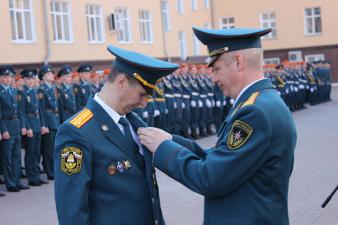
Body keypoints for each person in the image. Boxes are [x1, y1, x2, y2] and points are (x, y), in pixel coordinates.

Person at [138, 27, 297, 225]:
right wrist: (171, 140)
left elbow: (210, 178)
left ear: (239, 62)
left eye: (216, 69)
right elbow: (222, 157)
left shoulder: (254, 112)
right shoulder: (264, 101)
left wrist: (163, 149)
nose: (213, 79)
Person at [54, 45, 179, 225]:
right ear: (121, 82)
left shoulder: (133, 123)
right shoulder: (76, 132)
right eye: (142, 94)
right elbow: (72, 211)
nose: (144, 104)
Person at [0, 65, 29, 192]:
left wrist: (23, 125)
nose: (9, 79)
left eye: (11, 76)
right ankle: (10, 183)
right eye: (6, 76)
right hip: (7, 125)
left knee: (17, 156)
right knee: (8, 157)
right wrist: (3, 129)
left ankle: (17, 181)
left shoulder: (14, 91)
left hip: (16, 125)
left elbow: (21, 111)